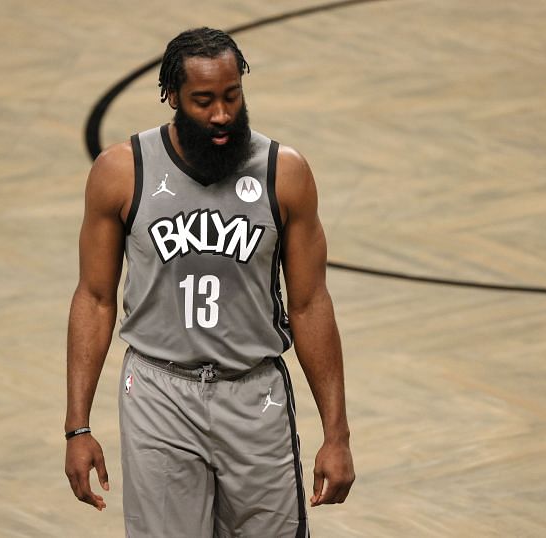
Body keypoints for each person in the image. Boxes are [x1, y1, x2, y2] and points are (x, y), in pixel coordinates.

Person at [65, 27, 355, 537]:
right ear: (172, 96)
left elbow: (309, 304)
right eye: (203, 101)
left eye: (231, 96)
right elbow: (94, 297)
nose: (221, 115)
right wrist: (78, 426)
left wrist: (337, 434)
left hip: (254, 393)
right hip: (158, 393)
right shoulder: (121, 172)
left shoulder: (283, 173)